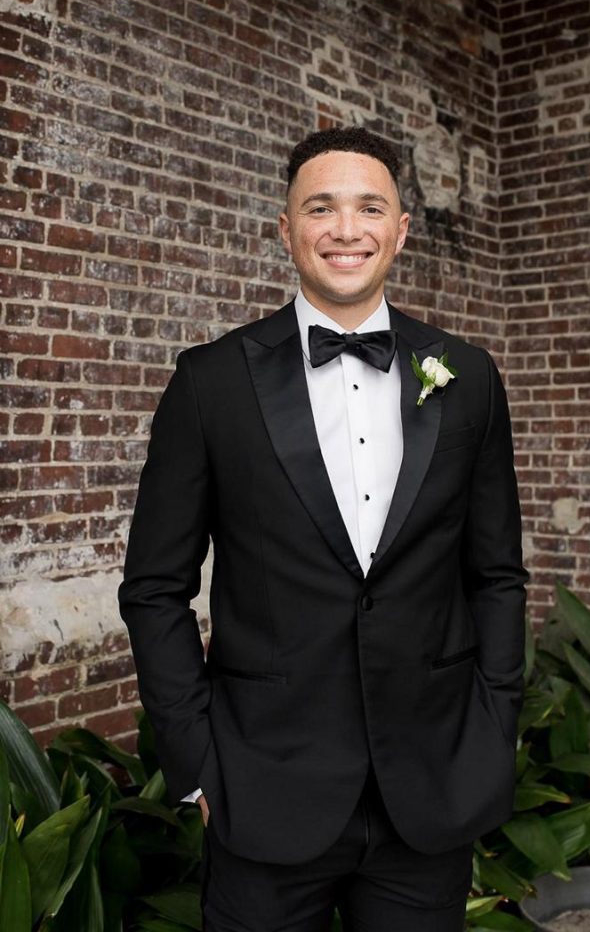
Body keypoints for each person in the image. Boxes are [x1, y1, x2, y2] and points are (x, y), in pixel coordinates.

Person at [118, 125, 528, 932]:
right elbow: (155, 587)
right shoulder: (210, 382)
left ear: (400, 229)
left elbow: (496, 575)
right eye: (321, 208)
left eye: (369, 207)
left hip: (430, 786)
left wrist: (491, 731)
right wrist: (197, 767)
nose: (346, 229)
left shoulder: (468, 377)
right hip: (262, 792)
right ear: (286, 228)